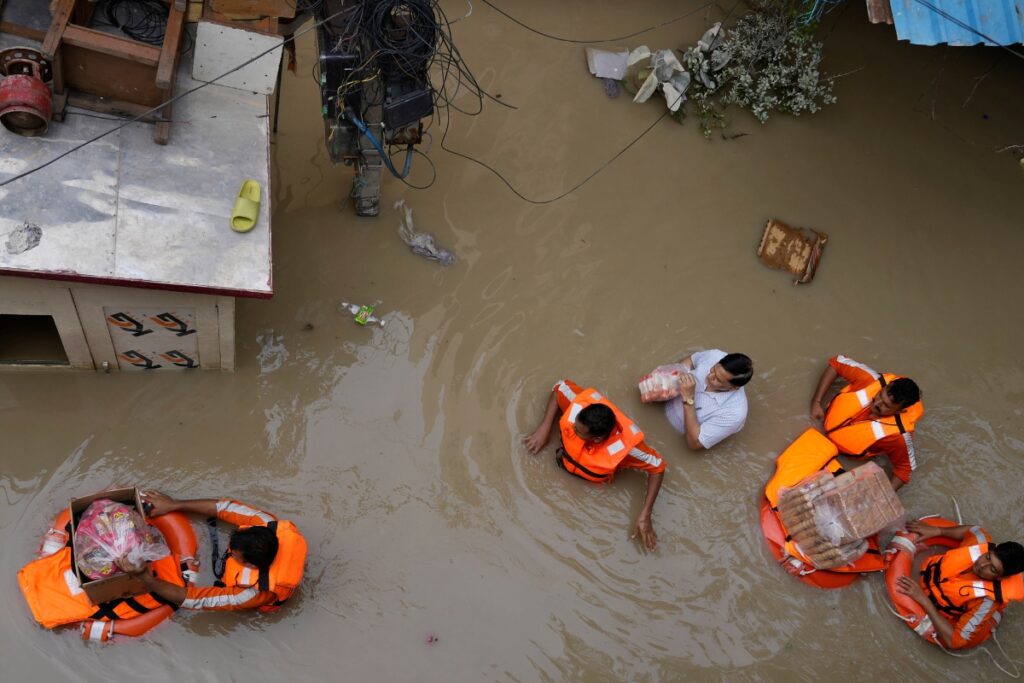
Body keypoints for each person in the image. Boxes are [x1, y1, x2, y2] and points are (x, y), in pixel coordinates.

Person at [523, 379, 665, 550]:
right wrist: (544, 428)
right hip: (564, 462)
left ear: (596, 439)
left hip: (595, 487)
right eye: (575, 424)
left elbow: (658, 466)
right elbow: (559, 387)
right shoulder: (576, 406)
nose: (572, 430)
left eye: (578, 431)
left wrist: (646, 513)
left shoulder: (628, 450)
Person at [118, 491, 307, 612]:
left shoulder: (251, 594)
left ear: (249, 565)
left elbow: (194, 600)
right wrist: (174, 504)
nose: (230, 552)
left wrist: (145, 577)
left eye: (235, 555)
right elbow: (225, 508)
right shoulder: (265, 522)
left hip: (253, 595)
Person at [896, 520, 1024, 649]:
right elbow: (973, 530)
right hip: (925, 572)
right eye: (988, 557)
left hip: (936, 607)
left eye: (992, 569)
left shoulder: (987, 602)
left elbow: (955, 642)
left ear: (1000, 577)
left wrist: (924, 600)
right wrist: (938, 530)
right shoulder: (979, 543)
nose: (981, 565)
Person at [809, 355, 922, 490]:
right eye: (880, 395)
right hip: (821, 430)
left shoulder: (899, 436)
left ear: (900, 411)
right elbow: (836, 363)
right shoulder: (868, 380)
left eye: (886, 406)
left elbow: (905, 469)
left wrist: (881, 498)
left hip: (842, 455)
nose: (876, 403)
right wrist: (816, 402)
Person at [662, 349, 753, 451]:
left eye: (718, 380)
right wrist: (674, 376)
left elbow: (695, 444)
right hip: (662, 404)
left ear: (734, 388)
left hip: (675, 434)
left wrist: (688, 399)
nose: (709, 377)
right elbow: (691, 361)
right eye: (713, 369)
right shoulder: (714, 355)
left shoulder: (734, 414)